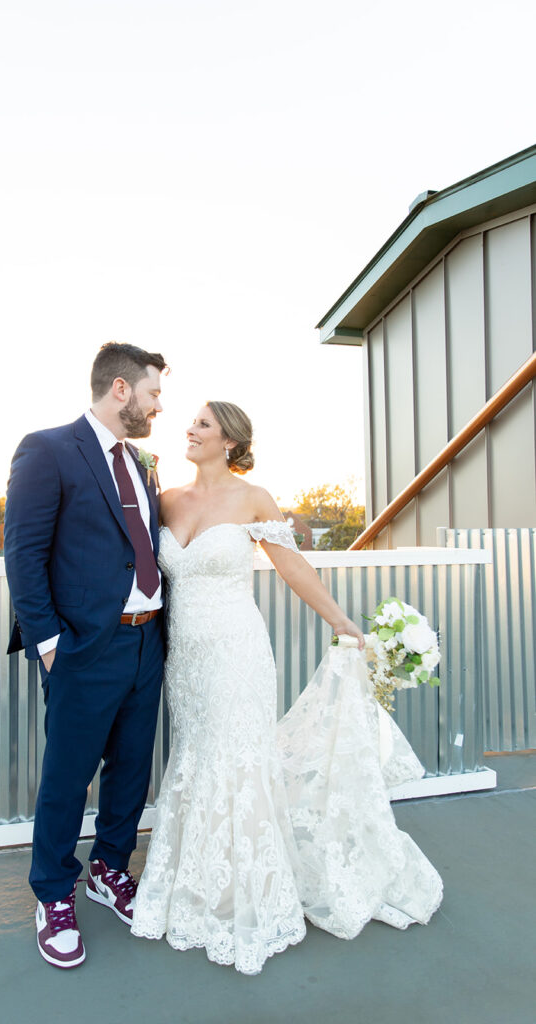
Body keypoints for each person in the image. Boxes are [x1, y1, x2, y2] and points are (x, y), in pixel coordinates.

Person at [130, 401, 443, 975]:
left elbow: (292, 565)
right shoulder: (166, 498)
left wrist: (340, 622)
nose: (190, 430)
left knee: (238, 759)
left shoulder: (254, 498)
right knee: (198, 755)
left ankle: (248, 891)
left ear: (229, 439)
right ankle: (196, 882)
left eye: (202, 424)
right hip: (186, 657)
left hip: (238, 652)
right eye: (191, 423)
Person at [4, 342, 167, 969]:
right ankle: (53, 893)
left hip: (147, 639)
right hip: (80, 648)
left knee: (131, 767)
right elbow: (24, 553)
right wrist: (49, 644)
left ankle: (110, 870)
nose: (159, 405)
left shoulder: (144, 462)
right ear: (121, 390)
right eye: (153, 392)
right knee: (69, 776)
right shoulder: (48, 449)